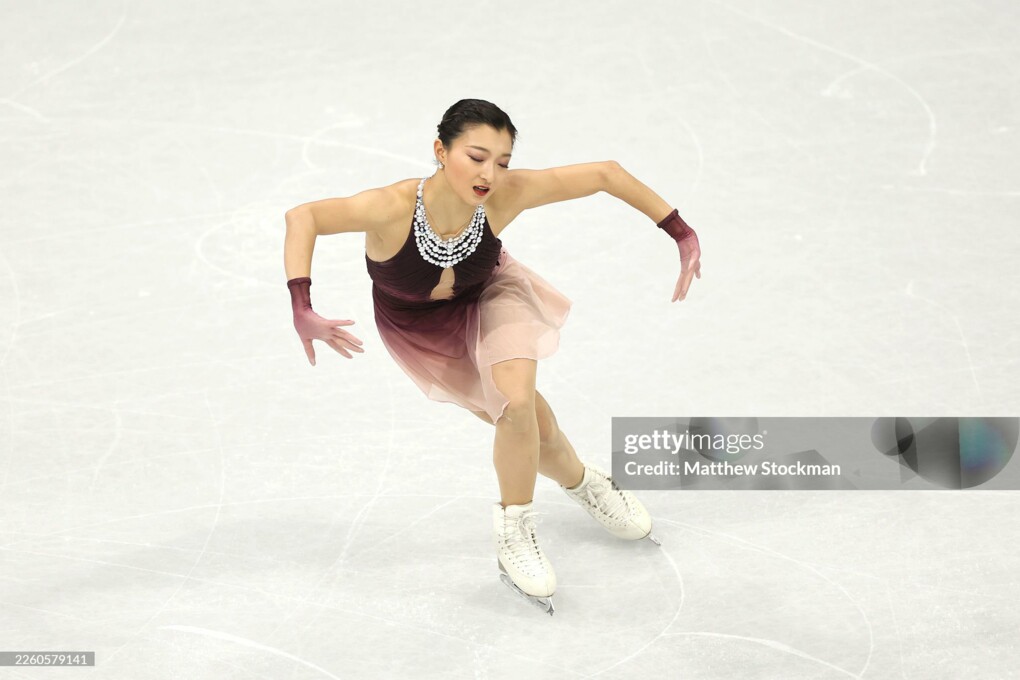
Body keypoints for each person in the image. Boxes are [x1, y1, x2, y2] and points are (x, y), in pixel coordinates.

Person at [283, 99, 702, 615]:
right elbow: (303, 217)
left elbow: (605, 174)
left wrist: (681, 232)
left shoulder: (506, 195)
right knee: (534, 429)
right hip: (421, 328)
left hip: (494, 294)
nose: (490, 174)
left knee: (515, 404)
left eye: (502, 161)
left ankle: (514, 531)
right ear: (441, 151)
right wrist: (301, 304)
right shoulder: (389, 207)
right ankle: (584, 481)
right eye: (477, 157)